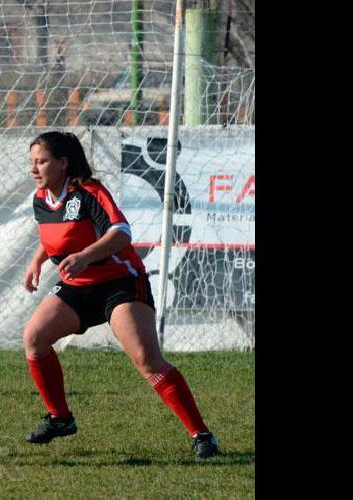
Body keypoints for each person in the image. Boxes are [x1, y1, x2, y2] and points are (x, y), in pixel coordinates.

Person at [20, 131, 219, 459]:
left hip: (119, 283)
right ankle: (60, 418)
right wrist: (36, 261)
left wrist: (84, 256)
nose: (34, 168)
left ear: (63, 163)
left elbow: (121, 233)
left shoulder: (88, 192)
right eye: (32, 162)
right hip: (79, 286)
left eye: (41, 161)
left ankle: (202, 434)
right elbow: (56, 235)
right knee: (34, 338)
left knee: (146, 360)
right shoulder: (41, 199)